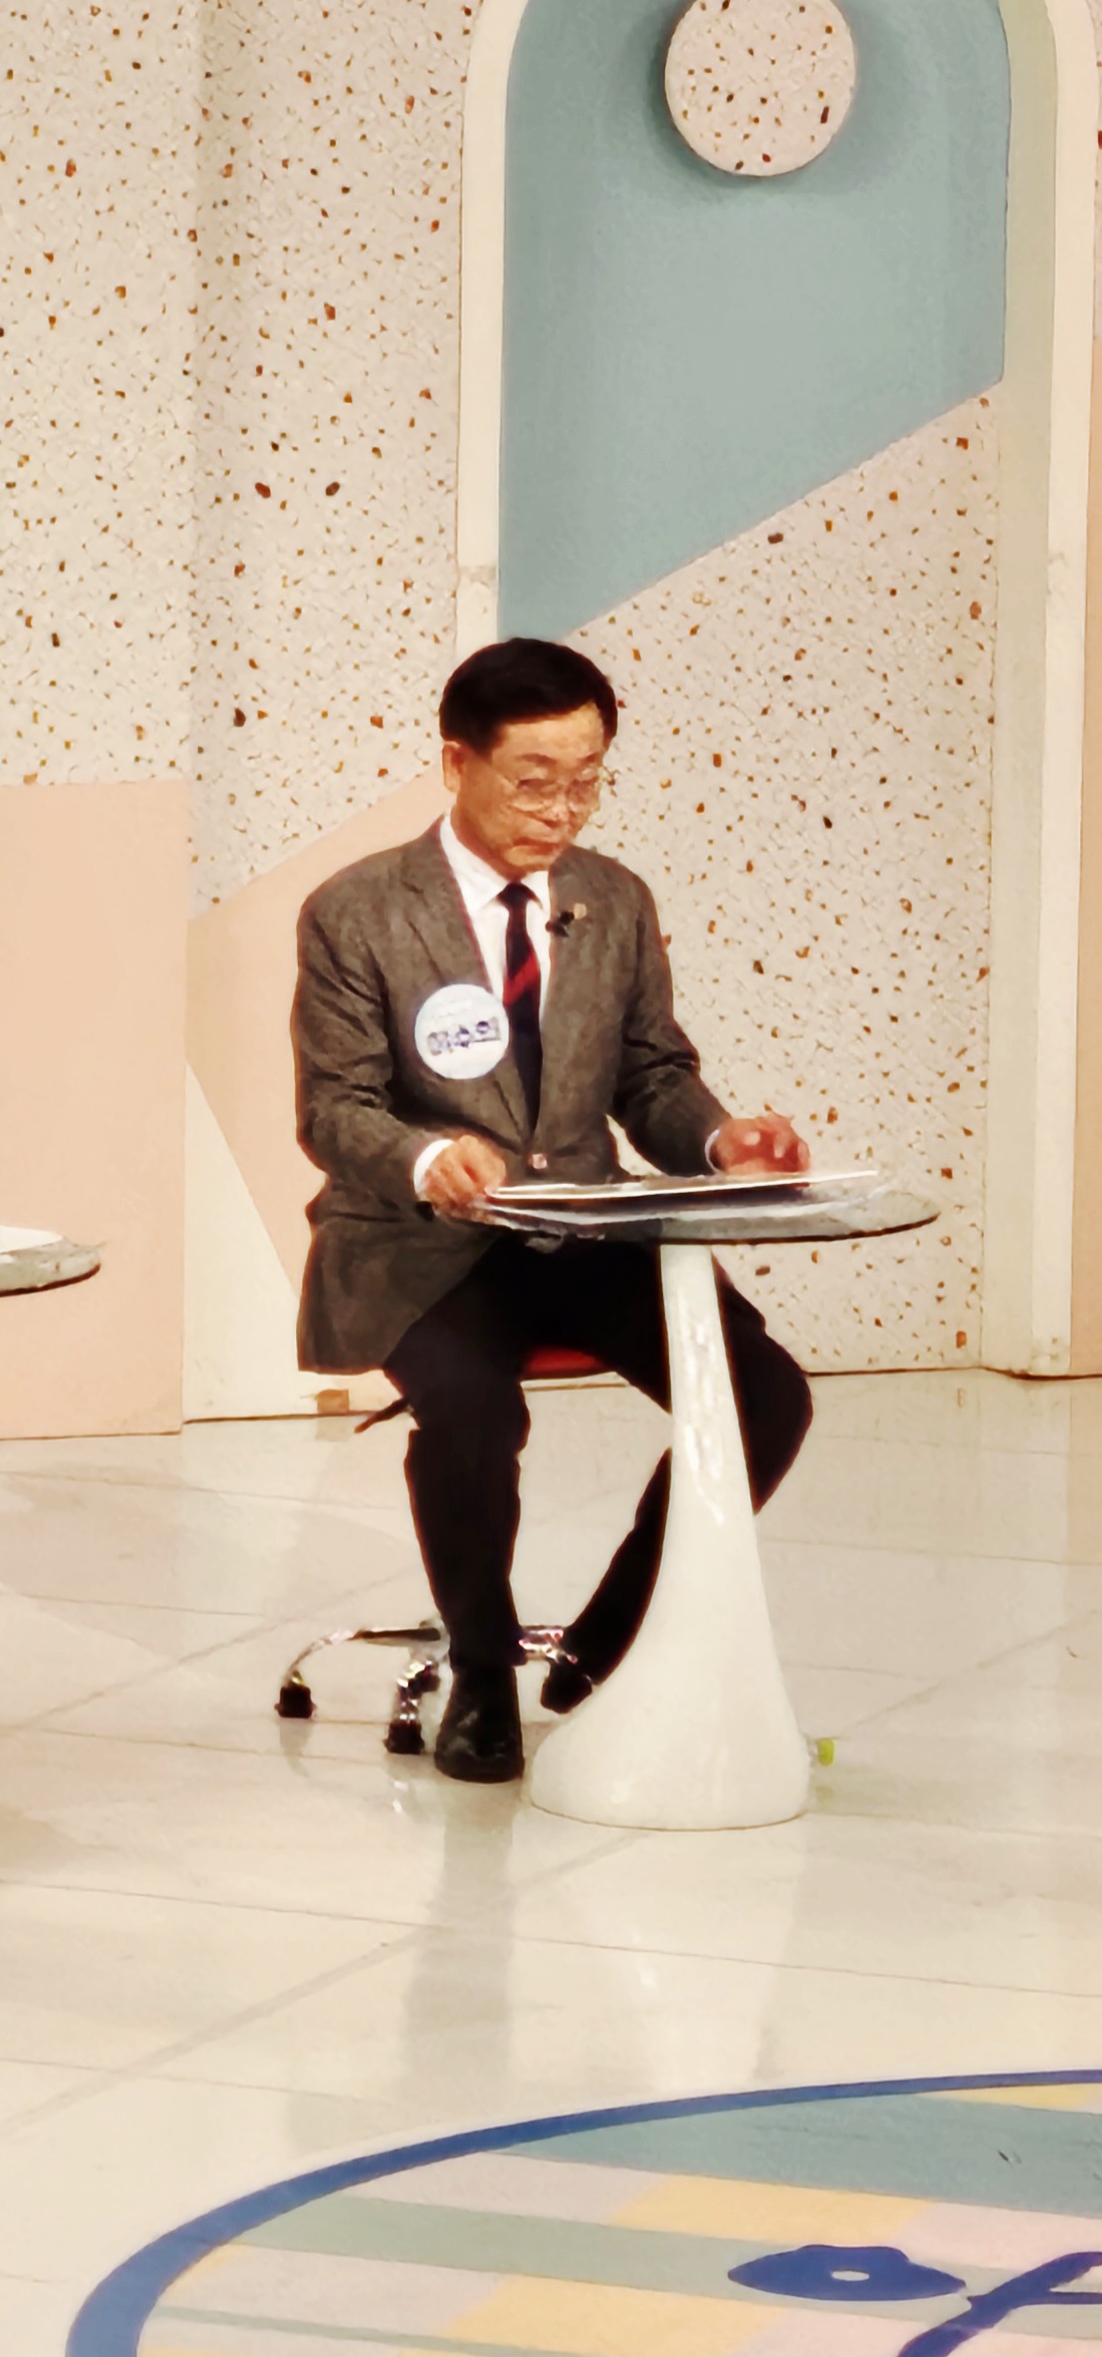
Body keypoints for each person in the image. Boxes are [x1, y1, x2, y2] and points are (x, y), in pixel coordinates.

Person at [293, 638, 815, 1784]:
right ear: (456, 763)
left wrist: (720, 1139)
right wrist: (428, 1156)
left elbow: (651, 1075)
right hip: (421, 1244)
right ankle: (482, 1674)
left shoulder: (610, 899)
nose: (560, 810)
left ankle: (609, 1637)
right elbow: (333, 1111)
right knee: (473, 1411)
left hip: (581, 1227)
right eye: (533, 781)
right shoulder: (357, 910)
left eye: (585, 782)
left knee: (765, 1395)